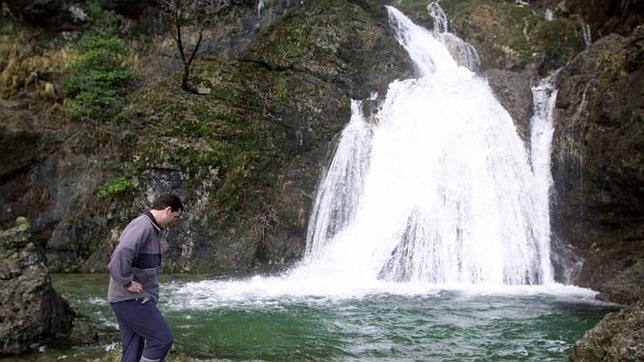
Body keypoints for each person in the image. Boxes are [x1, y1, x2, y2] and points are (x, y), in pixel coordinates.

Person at [107, 193, 183, 362]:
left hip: (126, 299)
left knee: (132, 350)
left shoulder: (150, 228)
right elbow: (121, 254)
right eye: (175, 217)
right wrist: (127, 283)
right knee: (162, 339)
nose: (174, 222)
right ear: (167, 210)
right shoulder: (143, 226)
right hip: (130, 299)